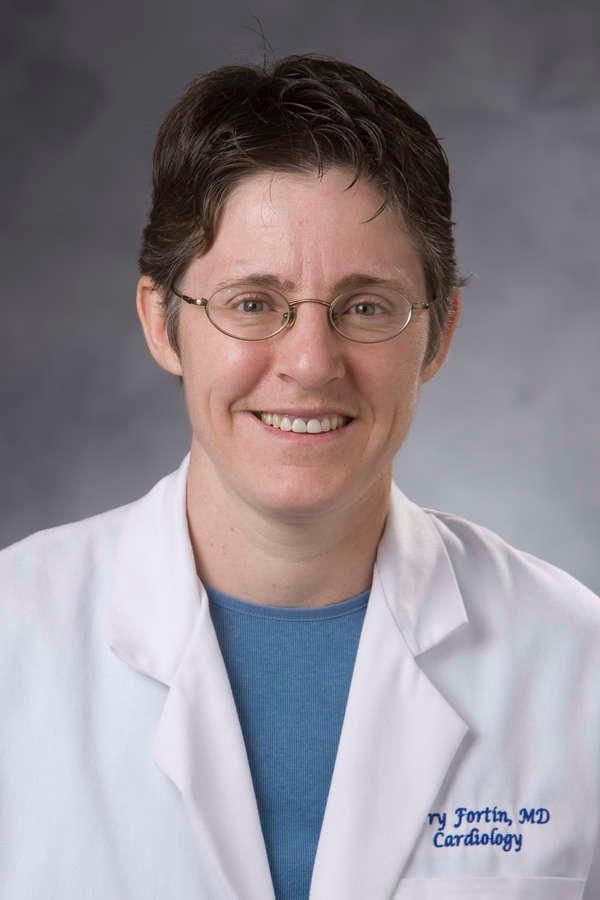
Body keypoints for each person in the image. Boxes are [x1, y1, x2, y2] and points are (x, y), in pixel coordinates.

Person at [1, 54, 599, 900]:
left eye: (366, 306)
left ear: (439, 331)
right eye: (252, 303)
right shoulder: (15, 641)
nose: (312, 363)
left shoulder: (577, 665)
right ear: (163, 324)